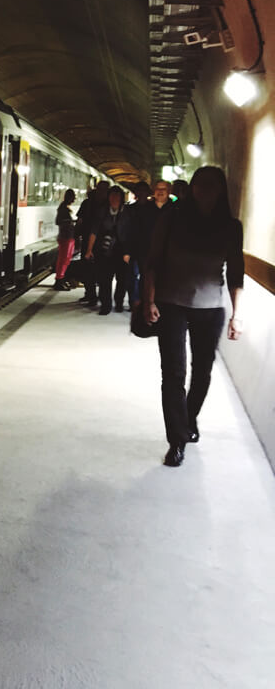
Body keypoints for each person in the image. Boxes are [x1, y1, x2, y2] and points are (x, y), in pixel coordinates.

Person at [143, 166, 244, 467]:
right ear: (192, 188)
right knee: (173, 373)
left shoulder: (230, 226)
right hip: (171, 302)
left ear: (221, 191)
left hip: (211, 307)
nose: (205, 192)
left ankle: (189, 418)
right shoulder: (172, 218)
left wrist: (237, 315)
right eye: (200, 185)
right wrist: (148, 299)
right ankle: (177, 439)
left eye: (212, 186)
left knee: (202, 372)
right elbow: (153, 262)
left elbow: (236, 272)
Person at [86, 185, 133, 314]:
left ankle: (118, 303)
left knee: (121, 280)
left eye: (117, 196)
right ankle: (105, 305)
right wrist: (89, 249)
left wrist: (128, 252)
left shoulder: (127, 213)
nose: (114, 199)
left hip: (122, 251)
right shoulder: (102, 211)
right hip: (104, 250)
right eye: (112, 196)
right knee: (104, 280)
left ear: (122, 198)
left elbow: (130, 233)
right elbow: (94, 231)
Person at [132, 180, 171, 304]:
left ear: (169, 192)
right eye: (158, 189)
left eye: (163, 189)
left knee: (166, 279)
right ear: (153, 191)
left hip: (168, 253)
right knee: (146, 279)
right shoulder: (145, 209)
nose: (160, 192)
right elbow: (137, 231)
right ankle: (146, 305)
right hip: (146, 252)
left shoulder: (175, 209)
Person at [76, 181, 109, 305]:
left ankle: (97, 295)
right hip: (88, 240)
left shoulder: (105, 204)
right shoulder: (88, 203)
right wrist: (77, 236)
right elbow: (80, 221)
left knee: (100, 270)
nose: (102, 192)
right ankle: (90, 294)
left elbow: (80, 221)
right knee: (88, 269)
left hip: (103, 243)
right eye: (101, 190)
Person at [53, 189, 78, 289]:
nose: (74, 199)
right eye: (73, 197)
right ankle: (59, 280)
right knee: (63, 259)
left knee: (66, 259)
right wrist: (70, 223)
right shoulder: (63, 208)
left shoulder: (66, 207)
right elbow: (58, 221)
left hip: (69, 237)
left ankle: (61, 278)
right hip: (65, 237)